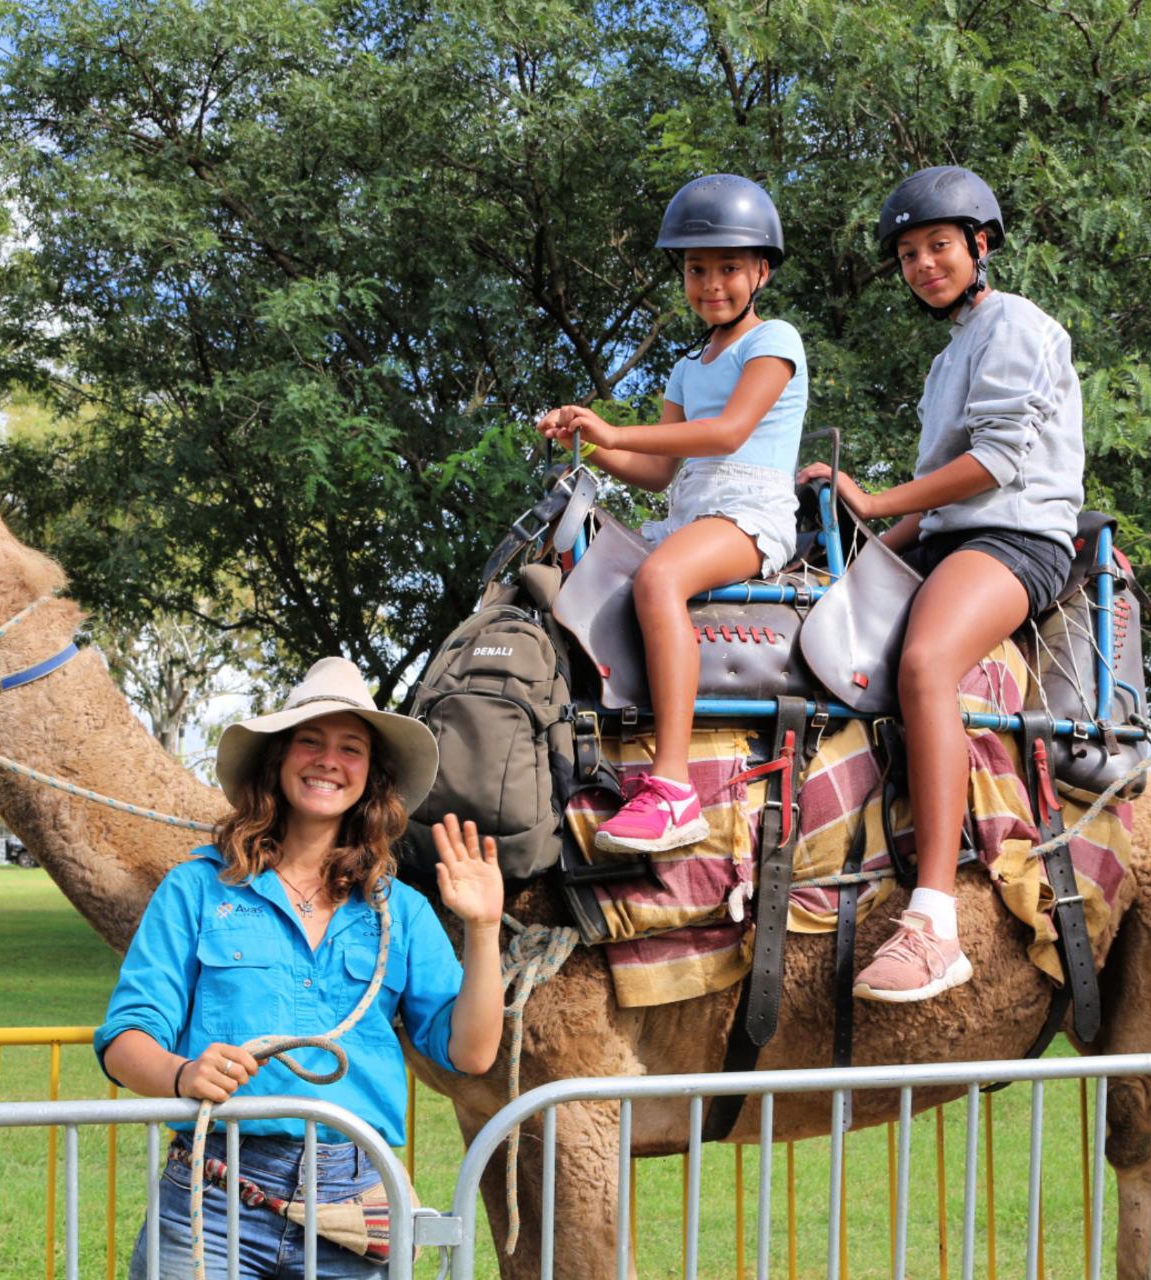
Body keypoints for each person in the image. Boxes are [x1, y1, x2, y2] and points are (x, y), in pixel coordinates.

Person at [95, 656, 504, 1279]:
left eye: (351, 747)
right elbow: (125, 1040)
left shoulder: (401, 912)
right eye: (309, 740)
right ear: (277, 759)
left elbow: (471, 1053)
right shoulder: (197, 890)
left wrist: (483, 928)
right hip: (214, 1198)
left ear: (371, 776)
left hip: (354, 1202)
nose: (328, 760)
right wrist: (183, 1074)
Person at [800, 166, 1083, 1003]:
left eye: (939, 247)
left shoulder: (1017, 327)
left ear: (980, 246)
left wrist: (875, 499)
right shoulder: (948, 358)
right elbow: (929, 509)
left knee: (925, 664)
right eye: (910, 254)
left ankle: (935, 922)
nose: (924, 265)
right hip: (947, 539)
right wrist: (857, 561)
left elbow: (995, 463)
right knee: (819, 636)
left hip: (1016, 539)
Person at [537, 174, 808, 854]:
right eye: (696, 269)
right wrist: (591, 444)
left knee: (659, 581)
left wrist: (618, 431)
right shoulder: (689, 365)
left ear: (761, 272)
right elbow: (660, 473)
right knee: (581, 570)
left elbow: (727, 434)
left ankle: (674, 788)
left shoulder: (773, 340)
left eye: (727, 268)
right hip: (692, 513)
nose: (710, 283)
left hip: (749, 512)